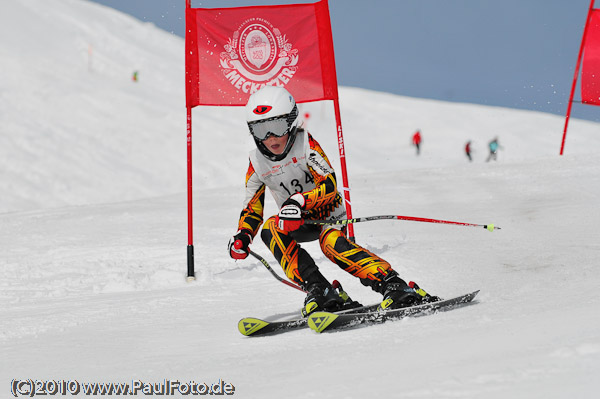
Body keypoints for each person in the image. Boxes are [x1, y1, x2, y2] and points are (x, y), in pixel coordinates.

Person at [228, 86, 438, 316]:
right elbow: (252, 208)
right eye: (261, 130)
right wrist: (243, 235)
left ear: (290, 122)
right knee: (270, 229)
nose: (270, 138)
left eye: (276, 127)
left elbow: (329, 184)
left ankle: (393, 284)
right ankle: (320, 289)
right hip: (296, 222)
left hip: (328, 214)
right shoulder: (256, 161)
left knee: (331, 244)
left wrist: (299, 201)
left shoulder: (305, 143)